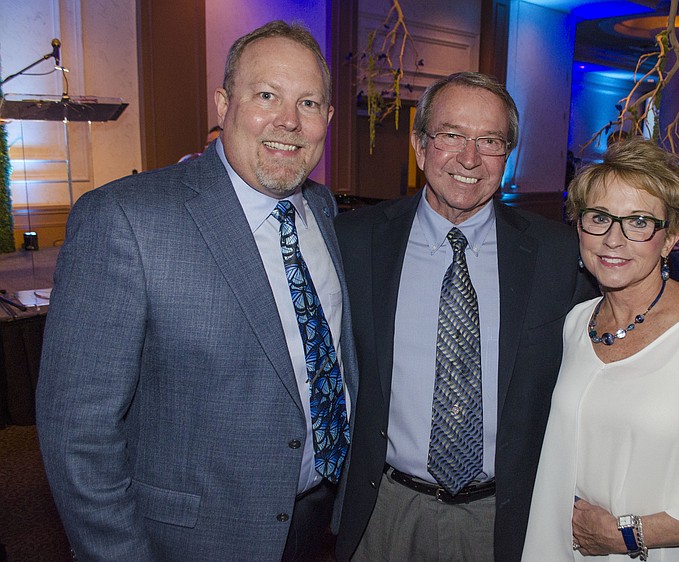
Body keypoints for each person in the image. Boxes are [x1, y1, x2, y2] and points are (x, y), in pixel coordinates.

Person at [36, 21, 357, 561]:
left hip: (316, 522)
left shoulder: (322, 211)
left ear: (327, 119)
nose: (287, 120)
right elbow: (78, 432)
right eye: (266, 95)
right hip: (190, 541)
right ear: (223, 103)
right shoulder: (126, 219)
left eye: (307, 103)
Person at [334, 71, 597, 562]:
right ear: (419, 145)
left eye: (490, 141)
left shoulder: (557, 255)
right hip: (385, 507)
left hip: (504, 516)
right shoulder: (355, 242)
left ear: (507, 154)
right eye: (451, 135)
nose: (469, 158)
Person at [523, 139, 679, 562]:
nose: (613, 239)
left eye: (639, 222)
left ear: (670, 238)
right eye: (599, 218)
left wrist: (626, 534)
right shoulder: (575, 323)